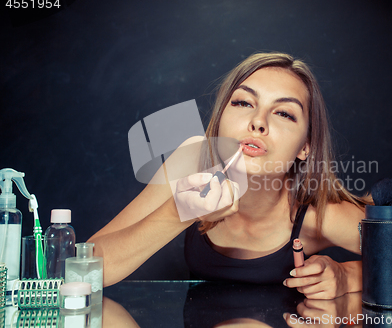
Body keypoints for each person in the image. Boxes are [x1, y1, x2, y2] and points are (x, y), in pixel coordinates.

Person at [88, 52, 371, 300]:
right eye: (244, 103)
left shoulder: (319, 215)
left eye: (283, 113)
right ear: (220, 119)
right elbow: (84, 271)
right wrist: (178, 211)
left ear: (305, 147)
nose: (258, 122)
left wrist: (349, 275)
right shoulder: (193, 159)